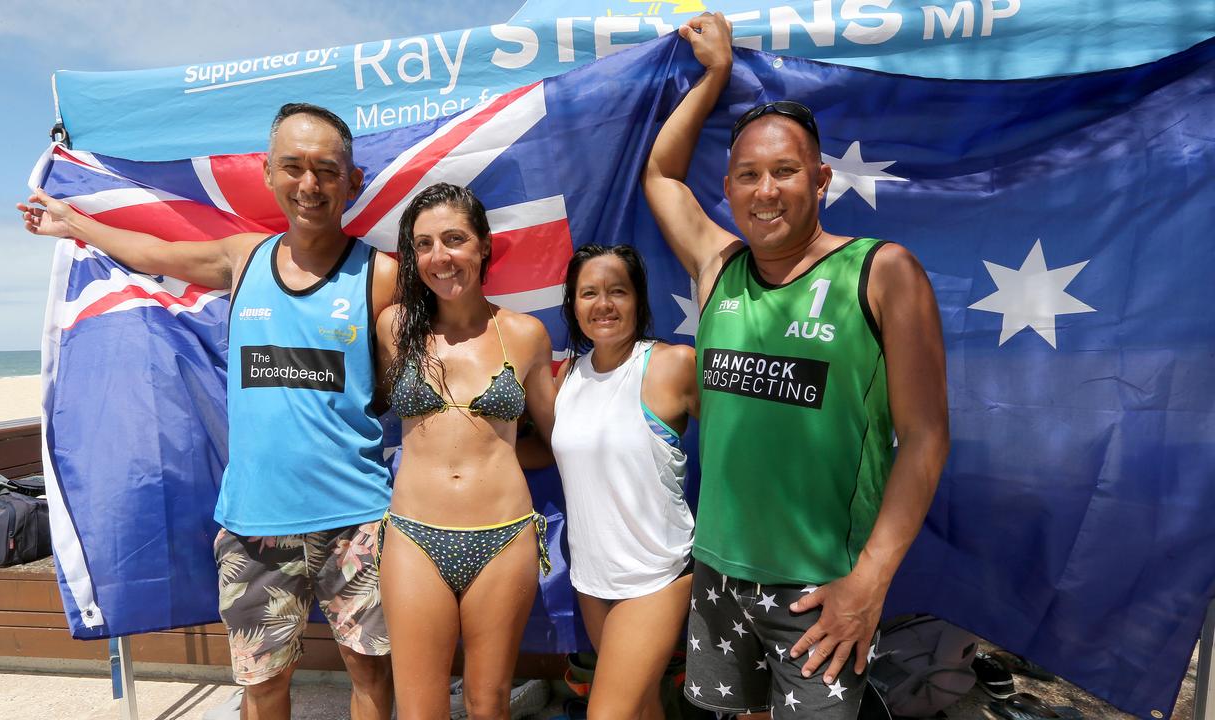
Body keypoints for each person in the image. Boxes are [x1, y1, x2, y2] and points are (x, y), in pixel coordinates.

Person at [18, 103, 397, 720]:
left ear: (352, 182)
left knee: (373, 677)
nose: (310, 185)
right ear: (269, 174)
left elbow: (430, 363)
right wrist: (73, 223)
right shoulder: (243, 259)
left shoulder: (380, 275)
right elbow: (150, 251)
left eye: (327, 170)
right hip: (256, 524)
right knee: (263, 686)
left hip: (360, 522)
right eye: (294, 167)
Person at [641, 14, 950, 719]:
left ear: (820, 179)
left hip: (821, 588)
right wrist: (713, 76)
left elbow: (927, 439)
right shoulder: (718, 266)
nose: (766, 190)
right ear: (729, 187)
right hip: (719, 571)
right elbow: (660, 173)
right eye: (747, 175)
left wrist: (868, 583)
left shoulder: (881, 272)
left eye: (784, 172)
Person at [374, 182, 558, 720]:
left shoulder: (524, 334)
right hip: (414, 534)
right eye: (424, 244)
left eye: (454, 239)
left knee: (488, 701)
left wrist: (491, 456)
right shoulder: (395, 328)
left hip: (504, 537)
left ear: (483, 245)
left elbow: (556, 440)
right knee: (419, 708)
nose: (440, 257)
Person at [550, 244, 700, 720]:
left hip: (658, 572)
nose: (604, 304)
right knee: (643, 707)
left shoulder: (671, 364)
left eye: (618, 291)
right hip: (593, 579)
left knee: (607, 713)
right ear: (573, 304)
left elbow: (734, 449)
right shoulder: (566, 375)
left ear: (639, 299)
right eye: (589, 293)